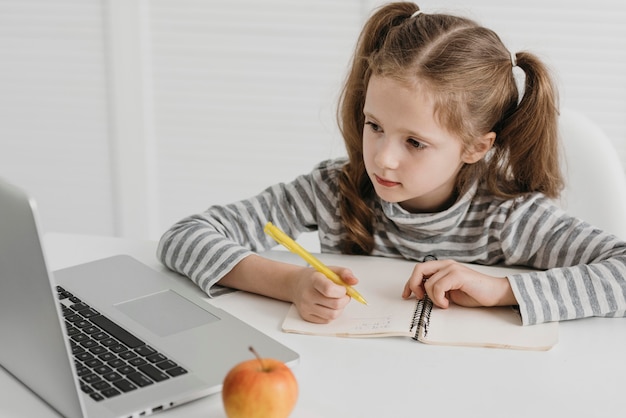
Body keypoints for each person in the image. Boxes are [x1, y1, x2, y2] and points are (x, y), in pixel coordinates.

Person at [157, 2, 626, 326]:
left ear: (475, 148)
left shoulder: (511, 218)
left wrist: (501, 290)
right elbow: (183, 238)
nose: (383, 157)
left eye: (415, 142)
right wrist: (292, 282)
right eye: (374, 125)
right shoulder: (335, 190)